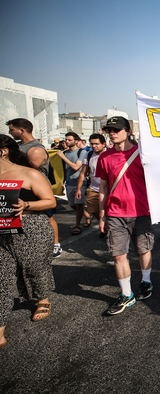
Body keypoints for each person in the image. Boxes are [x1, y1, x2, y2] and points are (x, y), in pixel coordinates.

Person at [0, 135, 57, 349]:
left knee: (34, 268)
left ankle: (42, 298)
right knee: (1, 279)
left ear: (2, 151)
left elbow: (50, 201)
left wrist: (26, 205)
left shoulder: (29, 173)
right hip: (1, 234)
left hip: (31, 230)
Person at [97, 116, 154, 315]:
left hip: (141, 212)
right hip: (115, 214)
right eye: (109, 130)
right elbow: (103, 187)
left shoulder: (143, 154)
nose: (112, 133)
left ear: (128, 131)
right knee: (118, 254)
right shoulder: (105, 157)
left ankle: (146, 281)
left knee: (143, 250)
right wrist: (102, 214)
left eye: (116, 129)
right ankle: (126, 294)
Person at [6, 118, 62, 258]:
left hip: (38, 191)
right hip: (19, 190)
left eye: (12, 129)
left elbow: (29, 172)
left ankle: (55, 245)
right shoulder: (17, 146)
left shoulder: (35, 149)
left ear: (22, 130)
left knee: (47, 217)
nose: (10, 132)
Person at [57, 132, 92, 235]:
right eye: (66, 140)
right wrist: (62, 182)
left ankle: (77, 225)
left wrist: (63, 157)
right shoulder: (65, 153)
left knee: (79, 205)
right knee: (73, 205)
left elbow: (76, 167)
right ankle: (87, 216)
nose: (66, 142)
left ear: (76, 141)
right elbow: (63, 169)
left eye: (69, 140)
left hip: (79, 183)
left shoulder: (81, 153)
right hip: (69, 183)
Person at [76, 134, 106, 221]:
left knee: (109, 212)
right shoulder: (88, 154)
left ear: (103, 144)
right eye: (92, 144)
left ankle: (108, 228)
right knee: (93, 209)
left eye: (96, 144)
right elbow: (83, 173)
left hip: (109, 189)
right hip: (94, 188)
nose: (94, 146)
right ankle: (105, 226)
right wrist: (78, 189)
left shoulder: (110, 154)